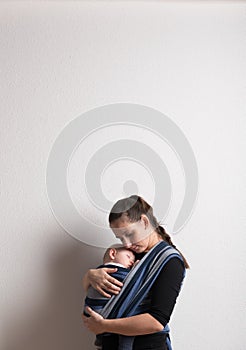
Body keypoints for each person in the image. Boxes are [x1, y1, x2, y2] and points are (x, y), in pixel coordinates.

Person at [82, 195, 189, 350]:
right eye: (120, 238)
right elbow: (99, 295)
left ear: (145, 222)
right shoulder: (127, 257)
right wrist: (88, 277)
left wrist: (104, 326)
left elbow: (156, 322)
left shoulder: (170, 262)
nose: (126, 244)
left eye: (130, 234)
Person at [83, 244, 135, 349]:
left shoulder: (98, 271)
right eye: (128, 257)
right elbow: (131, 282)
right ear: (112, 253)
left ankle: (100, 338)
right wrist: (136, 270)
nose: (132, 262)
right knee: (128, 331)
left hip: (90, 311)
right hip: (106, 312)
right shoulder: (116, 271)